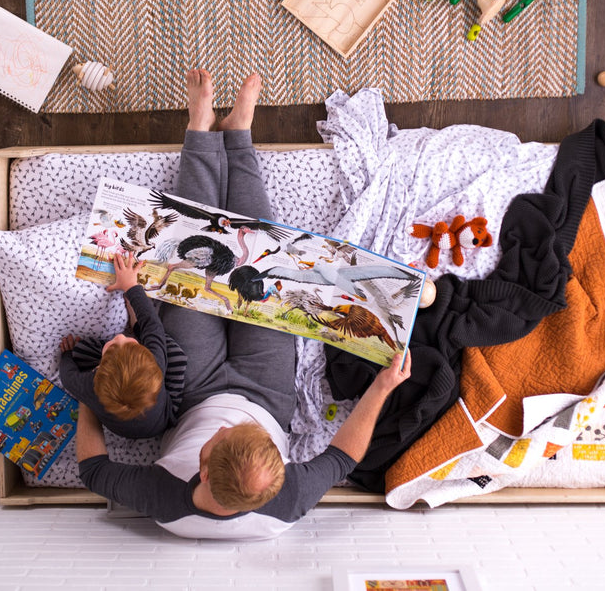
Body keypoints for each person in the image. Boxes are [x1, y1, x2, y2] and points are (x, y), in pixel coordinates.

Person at [76, 69, 412, 540]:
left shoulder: (163, 498)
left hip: (193, 392)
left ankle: (199, 128)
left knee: (191, 251)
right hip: (268, 394)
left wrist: (89, 395)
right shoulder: (286, 499)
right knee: (259, 260)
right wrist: (381, 387)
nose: (230, 423)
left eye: (224, 435)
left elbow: (93, 471)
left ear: (203, 470)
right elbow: (342, 459)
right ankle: (237, 136)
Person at [59, 250, 188, 439]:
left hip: (137, 425)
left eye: (113, 346)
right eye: (129, 343)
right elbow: (152, 324)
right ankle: (137, 329)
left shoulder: (91, 385)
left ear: (98, 369)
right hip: (163, 419)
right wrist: (132, 286)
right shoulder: (155, 362)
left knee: (80, 351)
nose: (119, 336)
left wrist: (67, 354)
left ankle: (135, 330)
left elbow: (67, 376)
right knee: (175, 355)